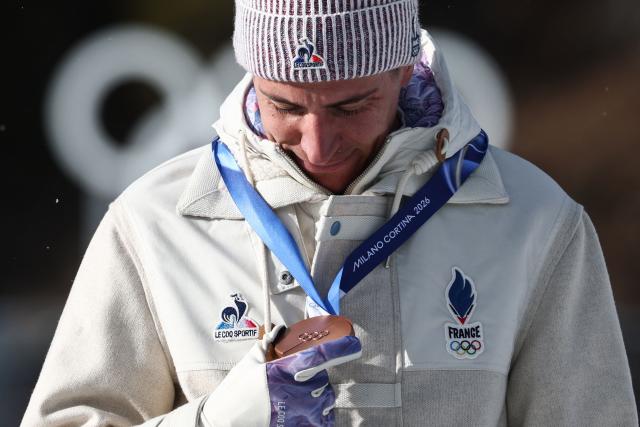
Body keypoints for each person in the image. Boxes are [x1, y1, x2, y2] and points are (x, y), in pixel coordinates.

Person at [23, 0, 637, 426]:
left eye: (350, 106)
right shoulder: (157, 223)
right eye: (285, 104)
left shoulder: (533, 222)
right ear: (251, 73)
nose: (318, 145)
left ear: (403, 69)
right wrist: (227, 418)